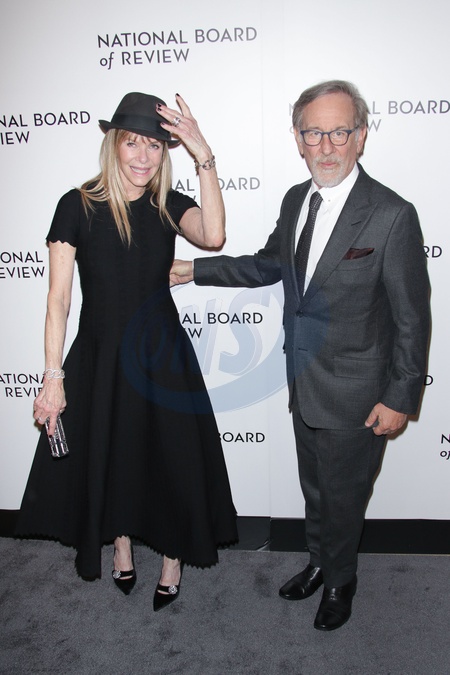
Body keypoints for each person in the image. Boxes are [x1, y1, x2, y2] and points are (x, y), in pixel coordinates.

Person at [170, 80, 430, 630]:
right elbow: (270, 264)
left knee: (344, 496)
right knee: (315, 488)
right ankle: (319, 562)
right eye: (314, 133)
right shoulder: (296, 199)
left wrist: (400, 397)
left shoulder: (391, 214)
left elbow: (412, 318)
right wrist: (197, 269)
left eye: (340, 132)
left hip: (359, 394)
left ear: (361, 136)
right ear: (297, 138)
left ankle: (340, 580)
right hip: (303, 379)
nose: (327, 147)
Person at [16, 91, 237, 611]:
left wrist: (202, 151)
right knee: (113, 454)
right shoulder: (76, 205)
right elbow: (59, 299)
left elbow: (214, 236)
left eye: (155, 145)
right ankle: (120, 546)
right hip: (100, 355)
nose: (143, 155)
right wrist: (52, 376)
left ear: (166, 152)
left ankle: (173, 558)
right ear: (114, 144)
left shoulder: (168, 204)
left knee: (172, 459)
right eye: (133, 142)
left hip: (162, 356)